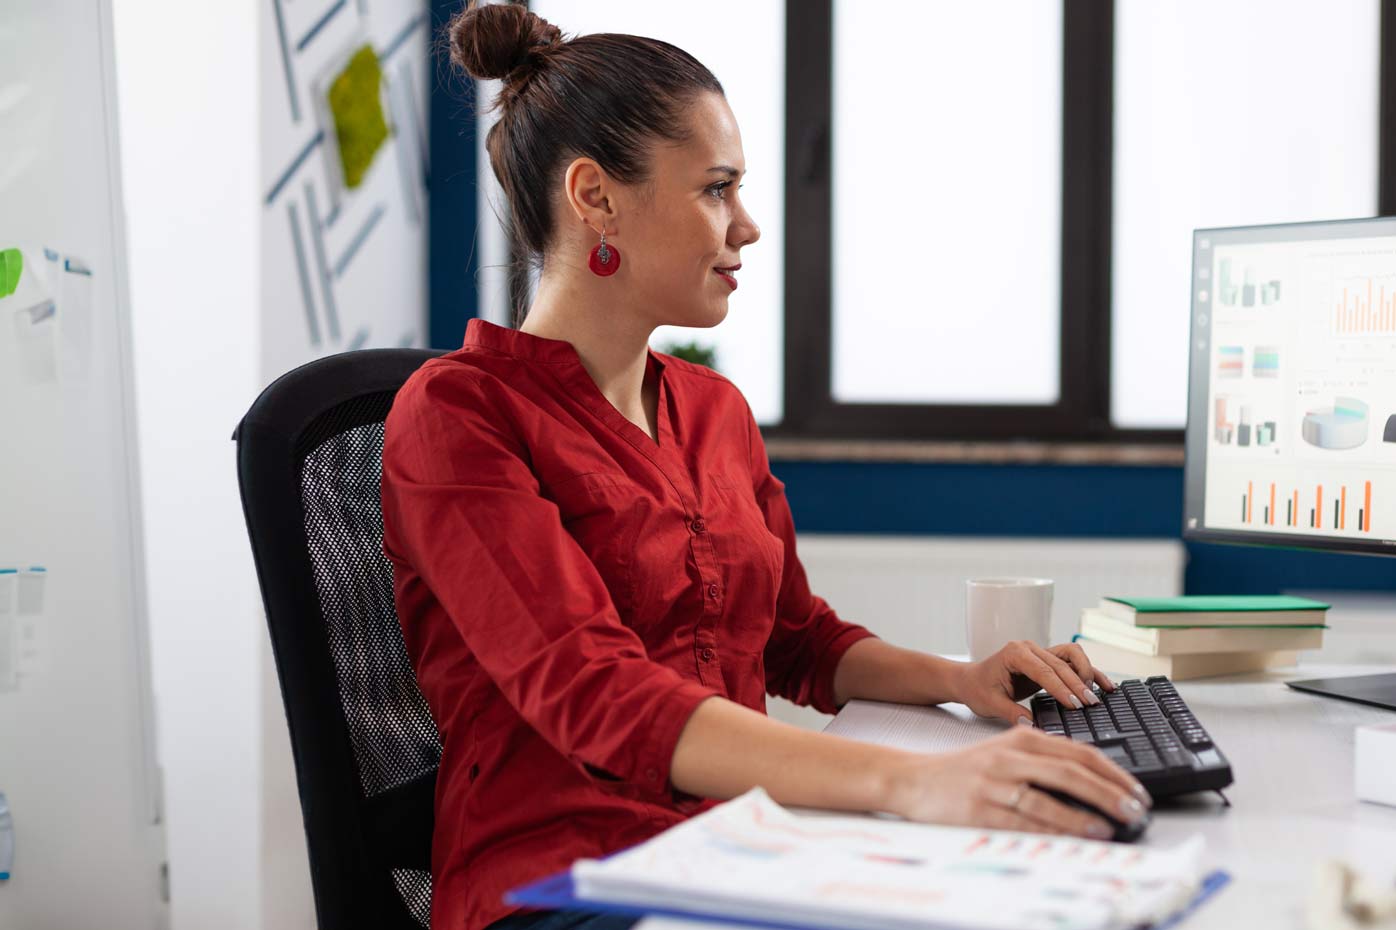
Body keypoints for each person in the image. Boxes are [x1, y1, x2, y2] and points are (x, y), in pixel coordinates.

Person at [380, 4, 1151, 930]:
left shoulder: (714, 412)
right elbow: (596, 694)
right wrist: (917, 781)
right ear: (595, 197)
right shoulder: (459, 415)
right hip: (564, 883)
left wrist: (960, 681)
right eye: (716, 189)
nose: (746, 226)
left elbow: (798, 641)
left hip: (740, 850)